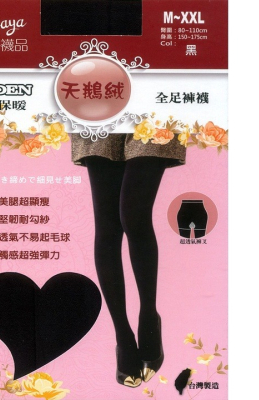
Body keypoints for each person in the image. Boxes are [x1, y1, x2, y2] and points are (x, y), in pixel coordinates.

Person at [72, 132, 186, 387]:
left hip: (151, 112)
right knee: (108, 226)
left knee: (134, 216)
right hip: (99, 113)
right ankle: (123, 336)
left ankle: (148, 317)